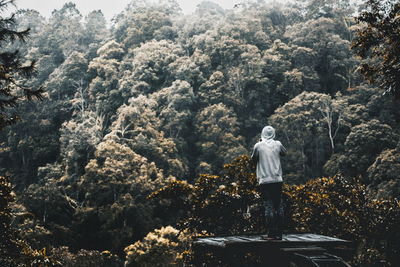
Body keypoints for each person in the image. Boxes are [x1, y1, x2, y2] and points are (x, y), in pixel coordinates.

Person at [251, 125, 286, 240]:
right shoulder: (278, 144)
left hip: (265, 181)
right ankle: (279, 233)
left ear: (262, 134)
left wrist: (260, 143)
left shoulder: (258, 146)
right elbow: (283, 153)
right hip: (277, 180)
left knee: (268, 206)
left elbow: (253, 159)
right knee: (278, 206)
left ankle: (271, 233)